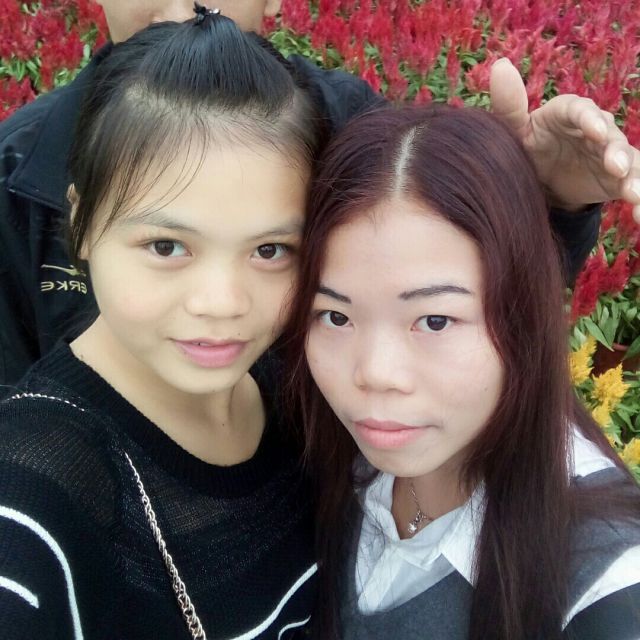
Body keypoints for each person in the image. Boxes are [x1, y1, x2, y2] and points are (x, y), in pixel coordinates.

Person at [1, 1, 640, 391]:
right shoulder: (18, 170)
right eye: (166, 246)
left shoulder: (352, 129)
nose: (184, 3)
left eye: (271, 249)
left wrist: (532, 199)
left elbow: (458, 307)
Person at [0, 13, 326, 639]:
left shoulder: (305, 392)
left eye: (270, 250)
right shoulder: (31, 494)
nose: (221, 304)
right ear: (81, 224)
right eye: (167, 246)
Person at [286, 104, 640, 640]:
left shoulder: (605, 580)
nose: (375, 374)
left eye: (434, 320)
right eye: (336, 316)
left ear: (524, 318)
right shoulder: (321, 454)